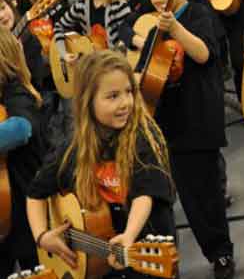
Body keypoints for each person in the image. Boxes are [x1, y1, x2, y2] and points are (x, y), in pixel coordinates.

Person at [27, 51, 175, 278]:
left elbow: (145, 193)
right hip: (98, 262)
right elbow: (35, 193)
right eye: (113, 96)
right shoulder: (72, 148)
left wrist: (129, 234)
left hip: (145, 249)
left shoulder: (141, 137)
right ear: (88, 101)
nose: (125, 102)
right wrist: (42, 236)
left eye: (128, 92)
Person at [138, 0, 235, 279]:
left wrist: (175, 28)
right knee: (190, 201)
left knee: (208, 194)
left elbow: (204, 53)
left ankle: (222, 254)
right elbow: (146, 80)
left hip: (200, 120)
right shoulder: (155, 32)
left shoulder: (197, 15)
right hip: (172, 126)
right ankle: (207, 248)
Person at [0, 27, 46, 276]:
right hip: (8, 212)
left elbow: (21, 128)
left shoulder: (17, 92)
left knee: (34, 266)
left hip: (28, 207)